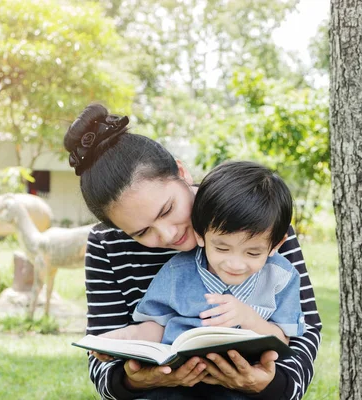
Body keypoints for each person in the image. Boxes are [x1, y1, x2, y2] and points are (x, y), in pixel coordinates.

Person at [64, 104, 322, 400]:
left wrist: (271, 387)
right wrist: (137, 381)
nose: (169, 234)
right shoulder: (106, 244)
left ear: (181, 171)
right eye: (142, 232)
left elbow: (305, 330)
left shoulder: (253, 221)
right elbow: (101, 364)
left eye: (168, 209)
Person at [91, 161, 305, 351]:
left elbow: (283, 340)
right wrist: (124, 338)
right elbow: (157, 327)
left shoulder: (280, 276)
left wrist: (248, 318)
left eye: (253, 252)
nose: (235, 263)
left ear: (276, 245)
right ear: (201, 235)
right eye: (222, 248)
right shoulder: (178, 273)